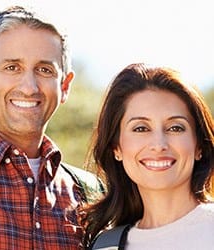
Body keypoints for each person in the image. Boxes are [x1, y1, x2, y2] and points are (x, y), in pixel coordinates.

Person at [0, 5, 101, 250]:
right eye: (12, 67)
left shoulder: (91, 197)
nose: (29, 87)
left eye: (44, 70)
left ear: (65, 86)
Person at [82, 63, 214, 249]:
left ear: (199, 145)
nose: (159, 145)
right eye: (141, 128)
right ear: (116, 148)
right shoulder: (105, 246)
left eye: (175, 128)